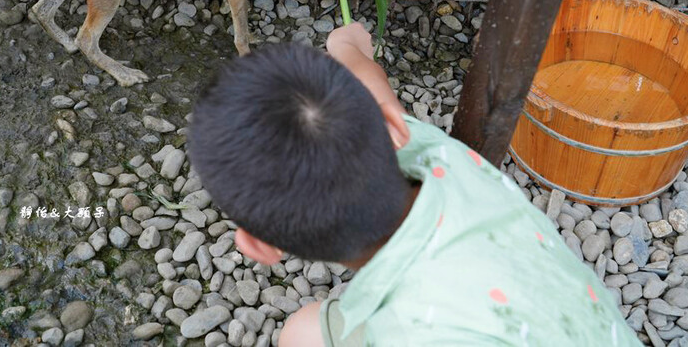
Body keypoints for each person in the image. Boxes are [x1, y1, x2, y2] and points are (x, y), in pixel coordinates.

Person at [189, 23, 642, 346]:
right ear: (391, 121)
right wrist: (346, 44)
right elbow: (367, 78)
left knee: (300, 334)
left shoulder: (406, 333)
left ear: (261, 246)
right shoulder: (438, 154)